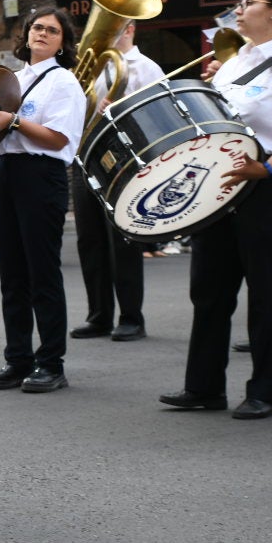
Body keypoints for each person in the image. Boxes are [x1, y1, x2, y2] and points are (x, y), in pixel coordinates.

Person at [161, 0, 272, 419]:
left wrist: (268, 168)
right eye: (239, 1)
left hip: (270, 181)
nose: (239, 9)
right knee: (209, 289)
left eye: (248, 2)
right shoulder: (234, 62)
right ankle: (204, 387)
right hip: (223, 182)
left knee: (267, 291)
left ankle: (265, 391)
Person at [0, 6, 86, 394]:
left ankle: (51, 363)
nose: (42, 34)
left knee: (43, 272)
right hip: (7, 171)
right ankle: (17, 359)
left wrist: (13, 121)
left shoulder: (64, 83)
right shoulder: (14, 79)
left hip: (42, 174)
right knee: (12, 273)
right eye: (37, 28)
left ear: (63, 41)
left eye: (52, 30)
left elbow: (60, 138)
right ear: (26, 34)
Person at [70, 20, 162, 341]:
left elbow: (157, 113)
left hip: (124, 159)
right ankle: (99, 315)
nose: (108, 32)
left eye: (117, 26)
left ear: (131, 29)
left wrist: (123, 107)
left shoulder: (146, 67)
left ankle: (131, 316)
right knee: (89, 239)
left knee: (122, 240)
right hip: (87, 155)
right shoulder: (92, 67)